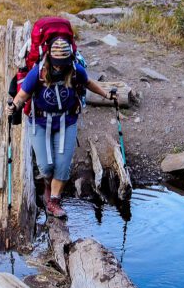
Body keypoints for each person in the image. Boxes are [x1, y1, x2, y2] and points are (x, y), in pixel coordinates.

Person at [8, 37, 117, 218]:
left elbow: (88, 83)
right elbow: (21, 96)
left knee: (63, 166)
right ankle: (47, 186)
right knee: (45, 166)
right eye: (56, 63)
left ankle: (53, 201)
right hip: (40, 122)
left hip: (67, 121)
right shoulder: (38, 72)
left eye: (63, 64)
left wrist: (106, 94)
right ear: (50, 58)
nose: (59, 67)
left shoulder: (75, 70)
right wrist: (13, 106)